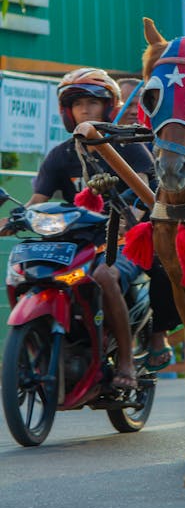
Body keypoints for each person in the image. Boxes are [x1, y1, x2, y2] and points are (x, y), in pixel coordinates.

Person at [19, 68, 155, 389]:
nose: (85, 109)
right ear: (67, 112)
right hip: (76, 243)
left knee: (105, 275)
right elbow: (36, 202)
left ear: (109, 107)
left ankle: (125, 362)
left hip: (126, 241)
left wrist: (130, 217)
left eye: (93, 103)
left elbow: (144, 191)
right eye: (77, 103)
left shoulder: (128, 145)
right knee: (31, 273)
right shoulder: (60, 156)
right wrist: (15, 219)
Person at [118, 76, 182, 372]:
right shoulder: (106, 138)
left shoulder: (166, 133)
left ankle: (158, 334)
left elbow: (143, 190)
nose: (132, 109)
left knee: (164, 264)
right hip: (105, 227)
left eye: (139, 102)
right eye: (126, 102)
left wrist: (130, 220)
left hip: (157, 218)